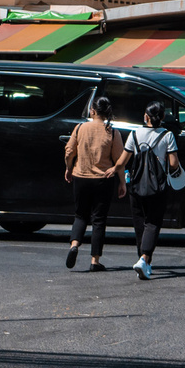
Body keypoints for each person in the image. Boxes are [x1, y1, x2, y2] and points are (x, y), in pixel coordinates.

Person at [63, 94, 124, 272]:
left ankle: (74, 245)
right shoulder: (112, 132)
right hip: (103, 180)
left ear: (92, 111)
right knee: (99, 220)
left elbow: (69, 152)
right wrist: (122, 183)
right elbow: (119, 160)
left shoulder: (80, 128)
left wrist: (69, 168)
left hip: (81, 177)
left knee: (80, 215)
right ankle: (95, 261)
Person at [122, 102, 182, 280]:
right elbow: (173, 163)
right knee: (153, 223)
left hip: (136, 185)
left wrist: (116, 171)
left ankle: (144, 261)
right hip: (158, 186)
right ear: (162, 117)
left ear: (146, 117)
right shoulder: (167, 135)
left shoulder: (134, 133)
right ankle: (144, 259)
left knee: (140, 222)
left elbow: (123, 160)